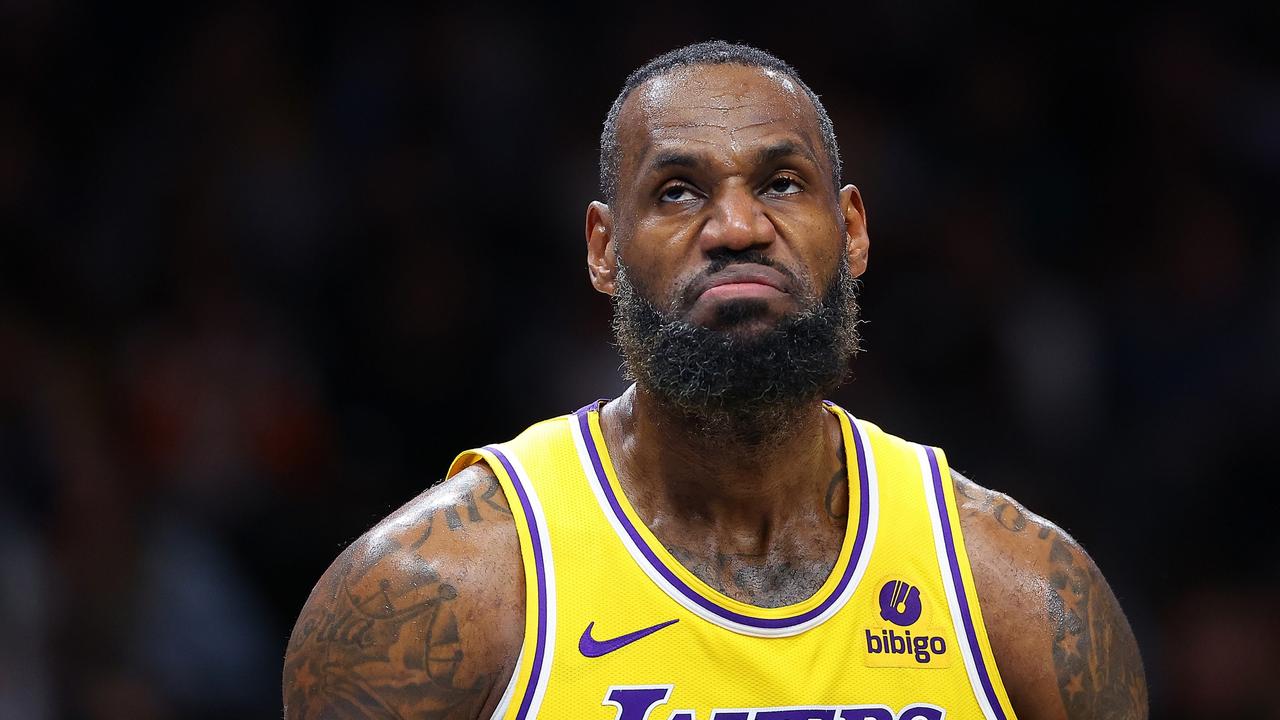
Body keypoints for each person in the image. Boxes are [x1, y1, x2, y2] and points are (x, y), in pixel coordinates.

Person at [282, 41, 1147, 720]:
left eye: (779, 182)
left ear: (850, 230)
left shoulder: (1025, 597)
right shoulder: (428, 597)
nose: (736, 226)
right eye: (677, 192)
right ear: (603, 250)